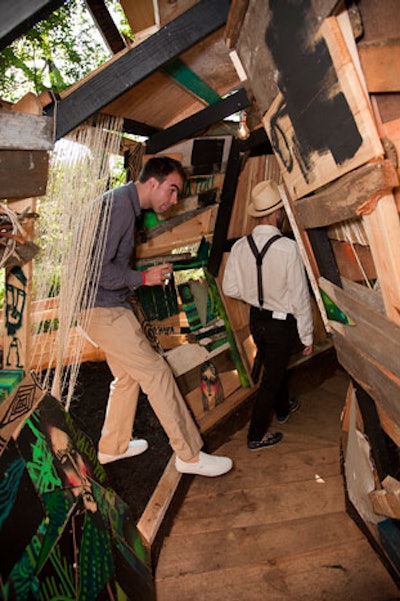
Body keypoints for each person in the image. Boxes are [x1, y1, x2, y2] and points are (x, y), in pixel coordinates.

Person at [82, 156, 232, 477]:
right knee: (157, 373)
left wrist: (139, 275)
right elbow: (96, 269)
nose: (174, 200)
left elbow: (106, 264)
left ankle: (112, 447)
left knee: (127, 377)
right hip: (101, 307)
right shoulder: (120, 207)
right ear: (153, 182)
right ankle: (189, 456)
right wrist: (143, 279)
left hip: (101, 305)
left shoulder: (122, 203)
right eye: (173, 190)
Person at [222, 179, 314, 450]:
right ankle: (255, 435)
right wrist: (307, 335)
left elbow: (230, 287)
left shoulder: (240, 247)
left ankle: (284, 409)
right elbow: (300, 298)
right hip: (281, 324)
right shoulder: (288, 248)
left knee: (275, 366)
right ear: (277, 213)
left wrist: (254, 296)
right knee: (270, 380)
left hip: (256, 320)